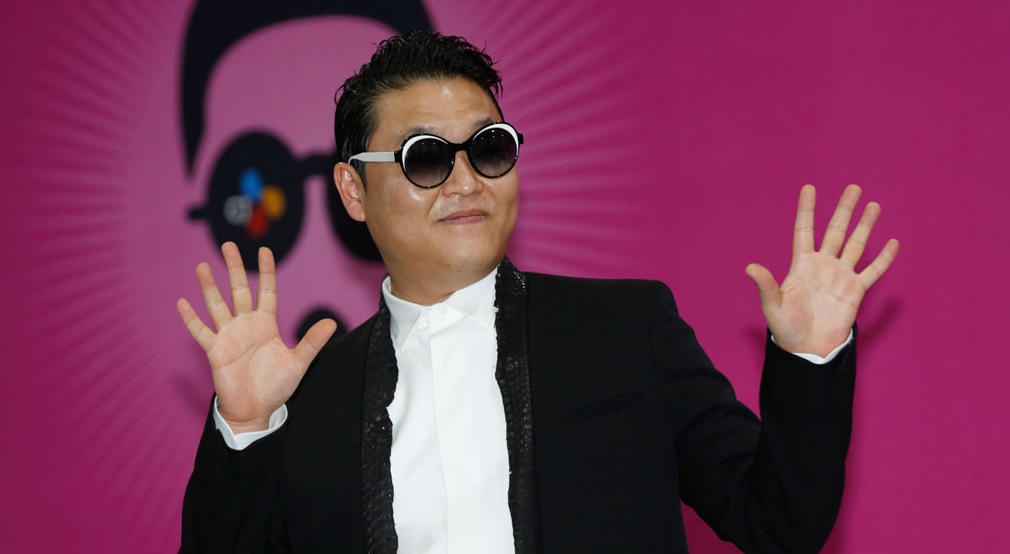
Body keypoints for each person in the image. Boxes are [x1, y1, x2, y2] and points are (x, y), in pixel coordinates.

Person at [177, 32, 899, 554]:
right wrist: (244, 429)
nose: (466, 181)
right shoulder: (306, 396)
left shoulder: (624, 329)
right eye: (426, 158)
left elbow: (779, 522)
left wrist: (810, 359)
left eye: (488, 147)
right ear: (352, 190)